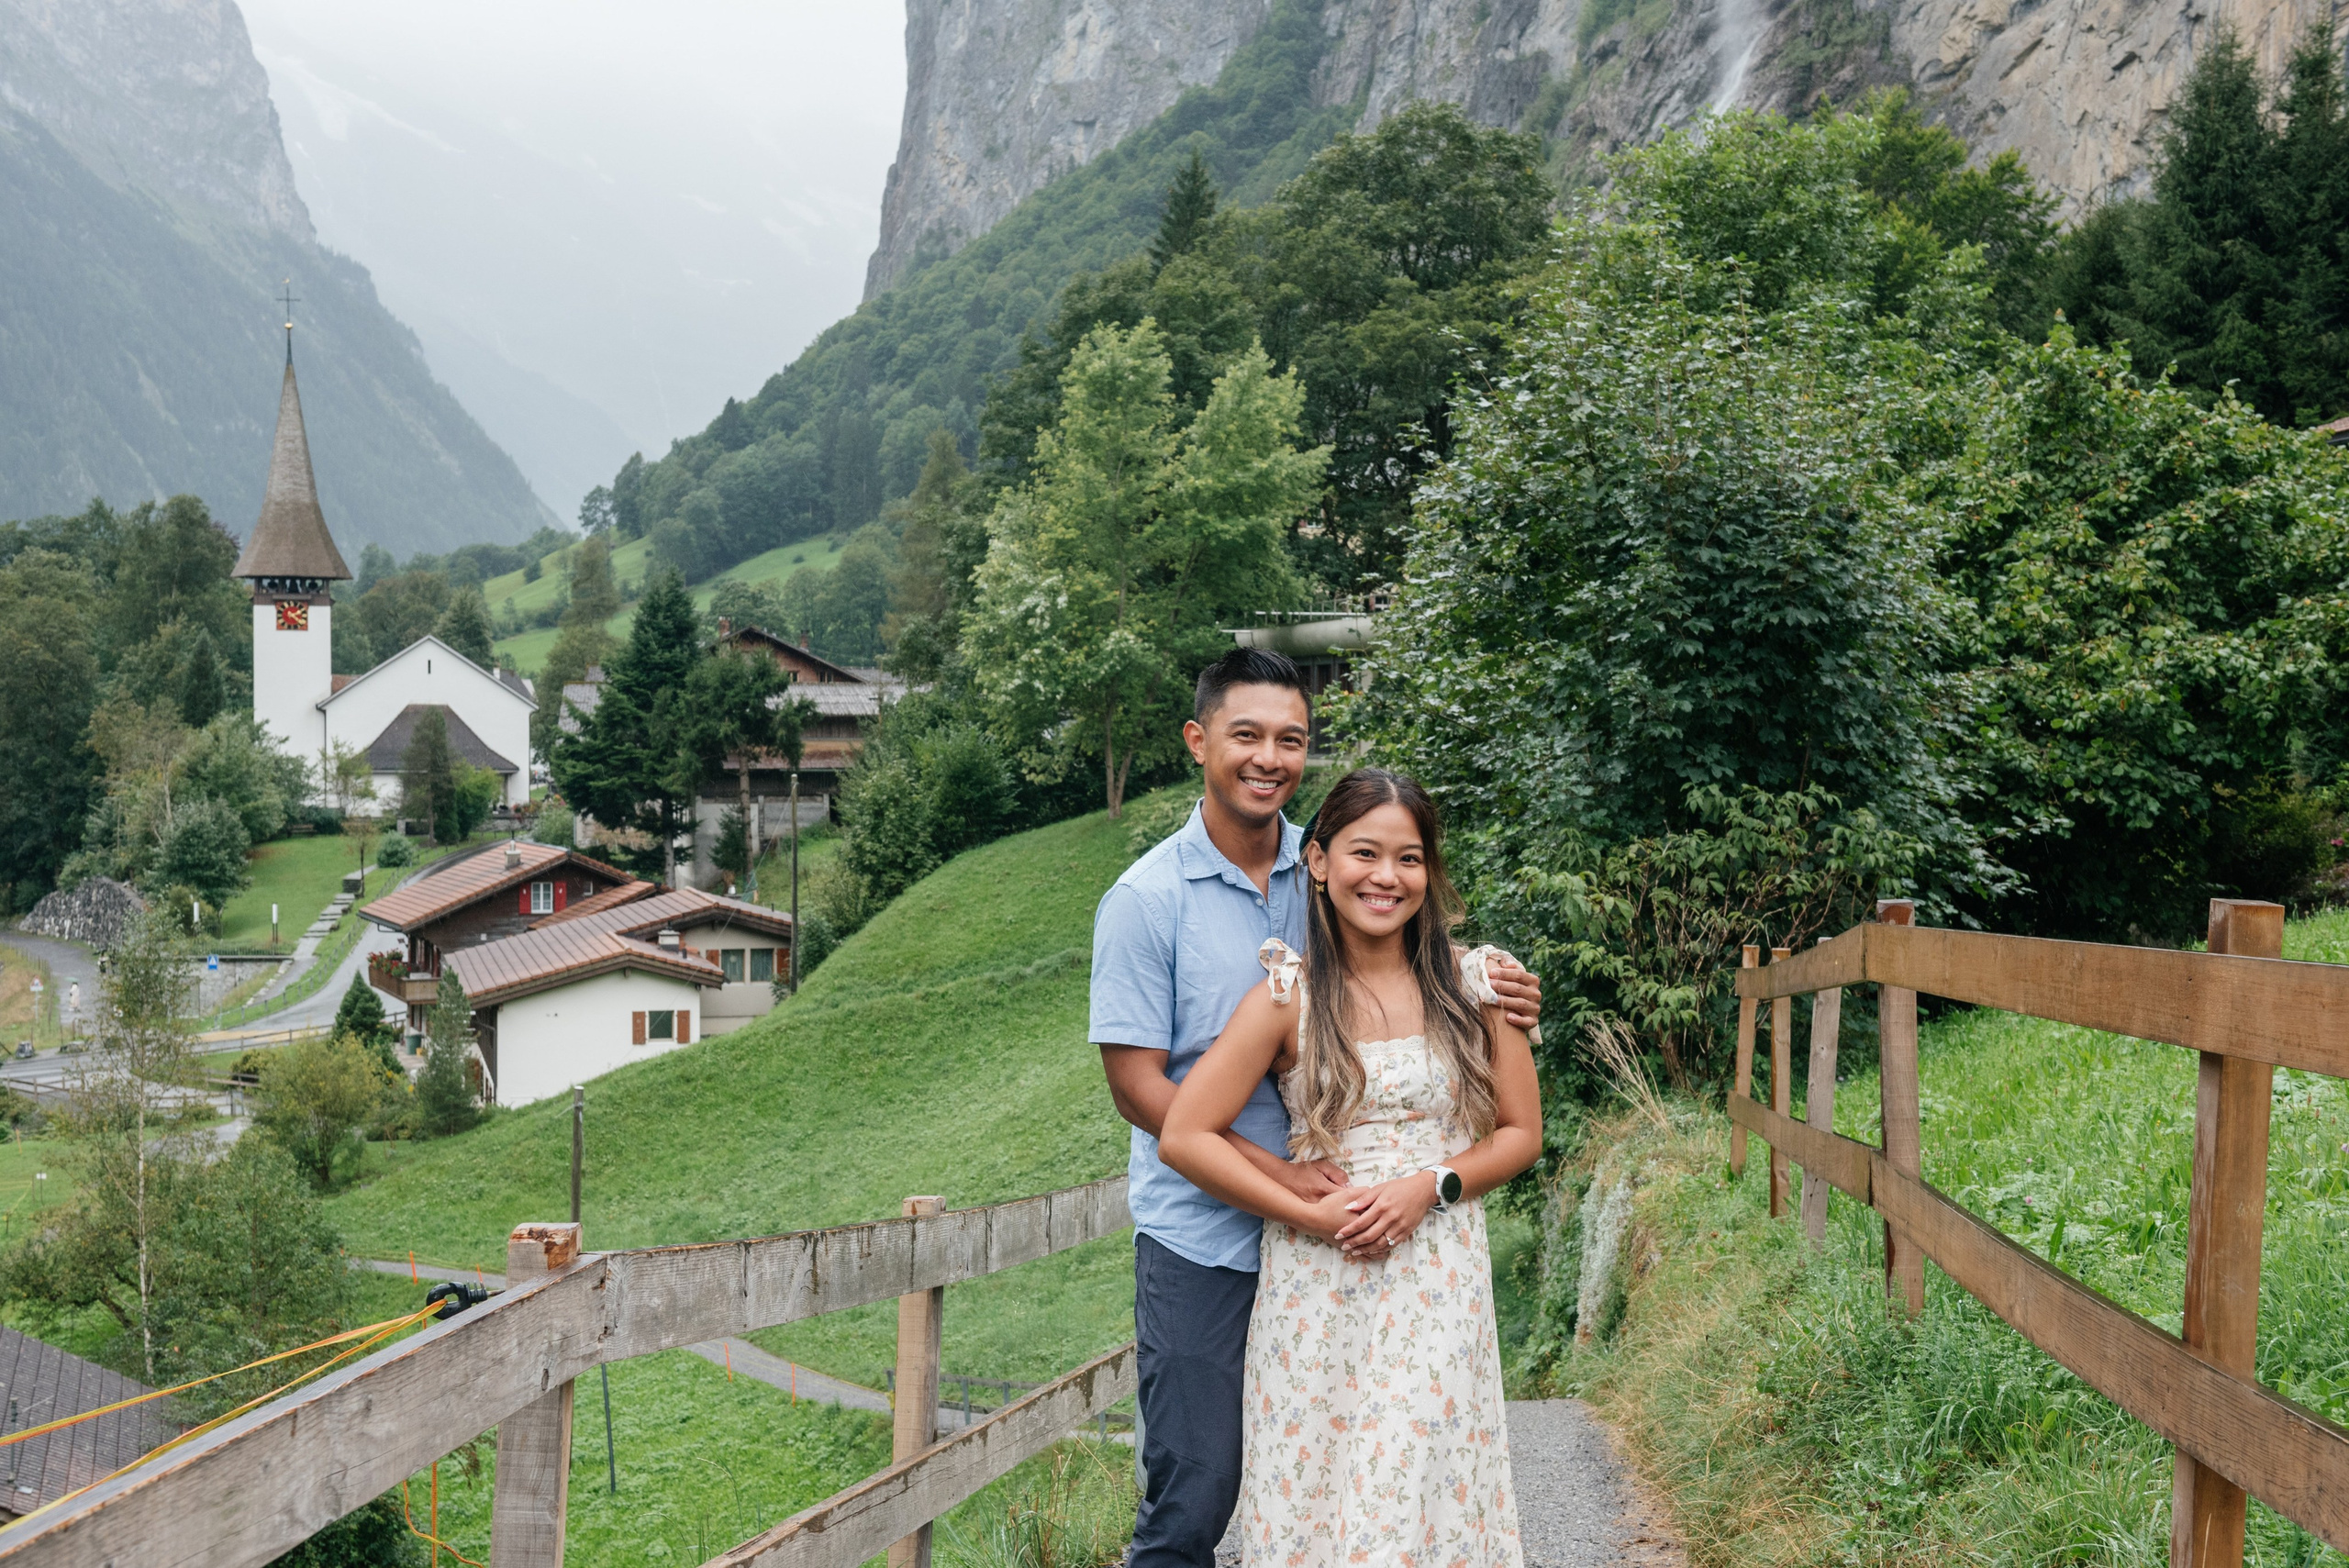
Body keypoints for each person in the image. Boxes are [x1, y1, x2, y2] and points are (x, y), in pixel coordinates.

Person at [1092, 650, 1542, 1568]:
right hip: (1221, 1234)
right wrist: (1296, 1192)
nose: (1269, 756)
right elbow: (1146, 1093)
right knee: (1204, 1487)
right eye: (1245, 733)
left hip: (1409, 1251)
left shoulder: (1340, 875)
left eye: (1290, 738)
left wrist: (1508, 995)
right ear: (1198, 740)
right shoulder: (1151, 902)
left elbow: (1423, 964)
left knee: (1399, 1483)